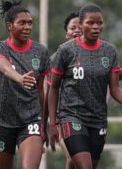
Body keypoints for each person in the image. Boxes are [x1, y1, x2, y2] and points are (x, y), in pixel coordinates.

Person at [48, 4, 122, 169]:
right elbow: (53, 88)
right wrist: (53, 123)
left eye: (100, 23)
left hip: (97, 119)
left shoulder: (109, 51)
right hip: (71, 116)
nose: (96, 27)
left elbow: (115, 88)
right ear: (81, 25)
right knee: (85, 166)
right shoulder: (66, 50)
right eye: (91, 23)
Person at [0, 0, 50, 169]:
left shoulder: (41, 51)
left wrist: (44, 125)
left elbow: (40, 91)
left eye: (30, 23)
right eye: (21, 23)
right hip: (1, 120)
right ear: (10, 26)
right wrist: (20, 78)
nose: (27, 27)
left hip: (30, 120)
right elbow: (4, 66)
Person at [45, 12, 82, 169]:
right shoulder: (57, 58)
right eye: (73, 28)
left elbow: (107, 86)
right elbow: (49, 92)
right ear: (66, 33)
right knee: (75, 156)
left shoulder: (96, 55)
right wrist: (48, 123)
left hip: (89, 117)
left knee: (76, 160)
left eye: (80, 27)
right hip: (63, 118)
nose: (77, 31)